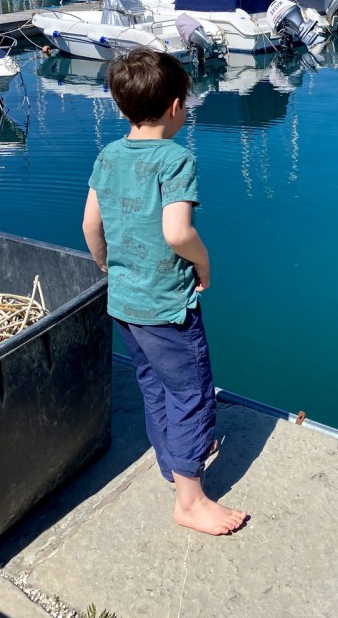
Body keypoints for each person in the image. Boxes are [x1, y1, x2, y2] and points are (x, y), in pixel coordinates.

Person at [82, 47, 248, 535]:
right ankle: (190, 500)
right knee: (191, 393)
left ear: (122, 108)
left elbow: (91, 225)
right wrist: (204, 263)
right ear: (176, 106)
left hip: (125, 302)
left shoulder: (108, 155)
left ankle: (173, 460)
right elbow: (178, 233)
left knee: (153, 383)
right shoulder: (176, 159)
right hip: (166, 306)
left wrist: (107, 265)